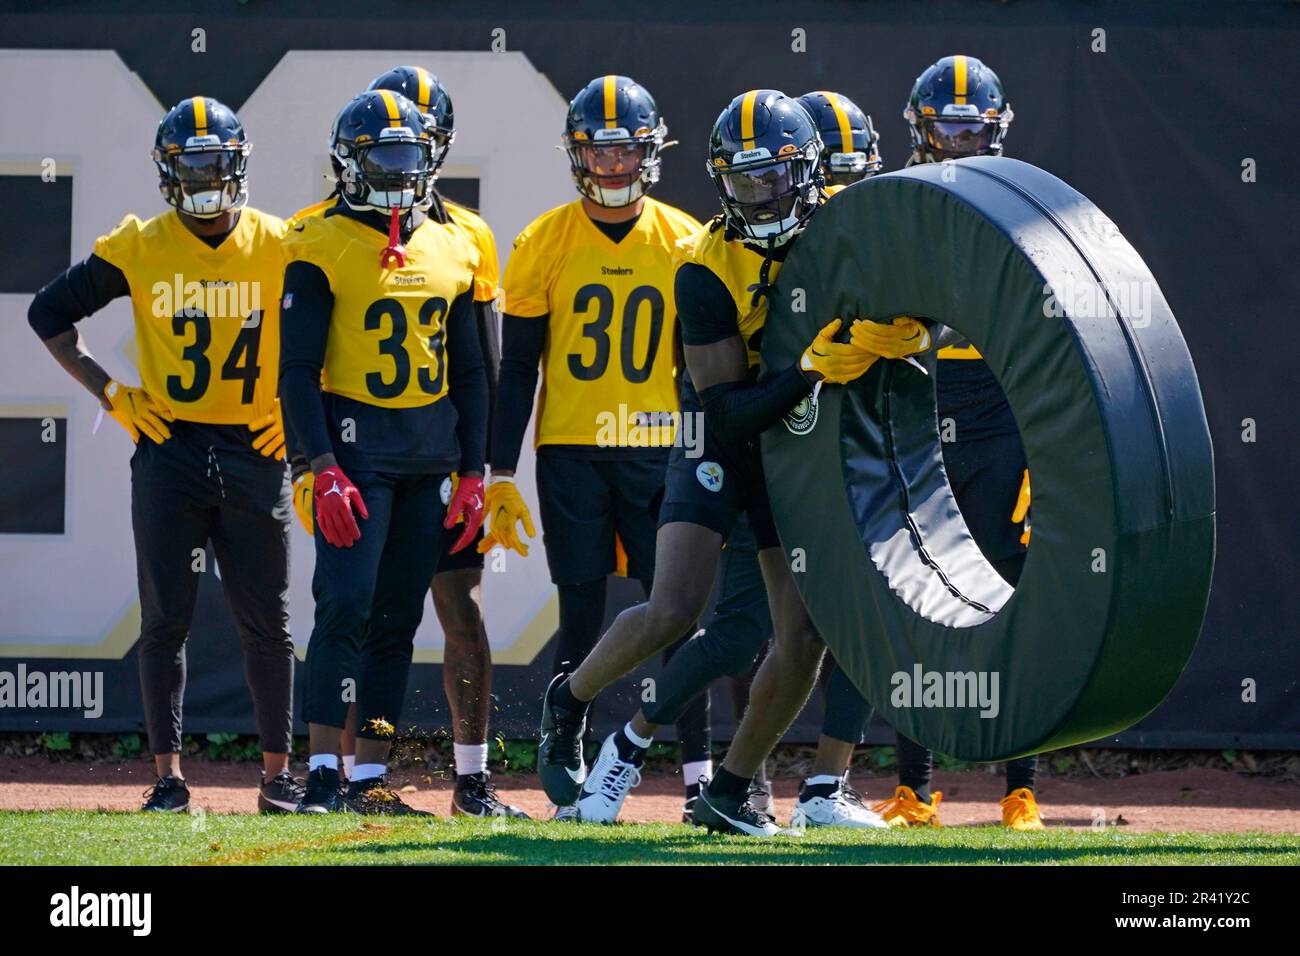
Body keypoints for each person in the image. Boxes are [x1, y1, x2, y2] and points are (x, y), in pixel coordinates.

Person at [538, 89, 931, 836]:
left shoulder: (845, 228)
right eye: (743, 182)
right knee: (674, 608)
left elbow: (924, 300)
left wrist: (908, 332)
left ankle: (730, 790)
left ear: (808, 172)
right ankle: (570, 699)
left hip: (798, 446)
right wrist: (809, 371)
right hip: (721, 436)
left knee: (806, 636)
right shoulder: (705, 264)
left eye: (773, 179)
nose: (759, 196)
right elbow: (724, 410)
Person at [27, 97, 300, 814]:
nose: (206, 177)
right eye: (192, 165)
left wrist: (301, 412)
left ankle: (276, 777)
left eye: (216, 163)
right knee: (165, 618)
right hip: (170, 445)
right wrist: (112, 394)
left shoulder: (283, 242)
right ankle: (170, 778)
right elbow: (47, 313)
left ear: (239, 166)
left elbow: (336, 338)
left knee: (267, 620)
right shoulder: (141, 245)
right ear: (167, 173)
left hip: (253, 446)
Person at [481, 75, 710, 813]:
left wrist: (707, 452)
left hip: (658, 449)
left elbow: (702, 368)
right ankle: (567, 734)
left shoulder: (685, 240)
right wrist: (497, 470)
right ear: (577, 156)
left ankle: (701, 773)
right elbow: (517, 369)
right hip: (572, 448)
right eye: (599, 151)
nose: (613, 166)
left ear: (651, 153)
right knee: (580, 611)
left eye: (625, 151)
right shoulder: (544, 240)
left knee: (677, 612)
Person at [280, 88, 487, 815]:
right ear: (348, 162)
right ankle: (322, 775)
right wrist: (321, 465)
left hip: (429, 456)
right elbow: (297, 373)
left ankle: (368, 776)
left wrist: (475, 471)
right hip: (358, 458)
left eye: (409, 158)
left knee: (397, 621)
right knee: (343, 608)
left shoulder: (454, 239)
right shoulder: (316, 241)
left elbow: (471, 372)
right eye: (384, 159)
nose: (400, 173)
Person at [869, 53, 1043, 831]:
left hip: (1002, 413)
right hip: (919, 401)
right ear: (921, 131)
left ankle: (1021, 788)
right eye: (947, 127)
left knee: (1011, 598)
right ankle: (915, 788)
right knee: (919, 597)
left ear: (996, 131)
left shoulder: (1025, 202)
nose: (960, 141)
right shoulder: (899, 201)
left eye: (973, 128)